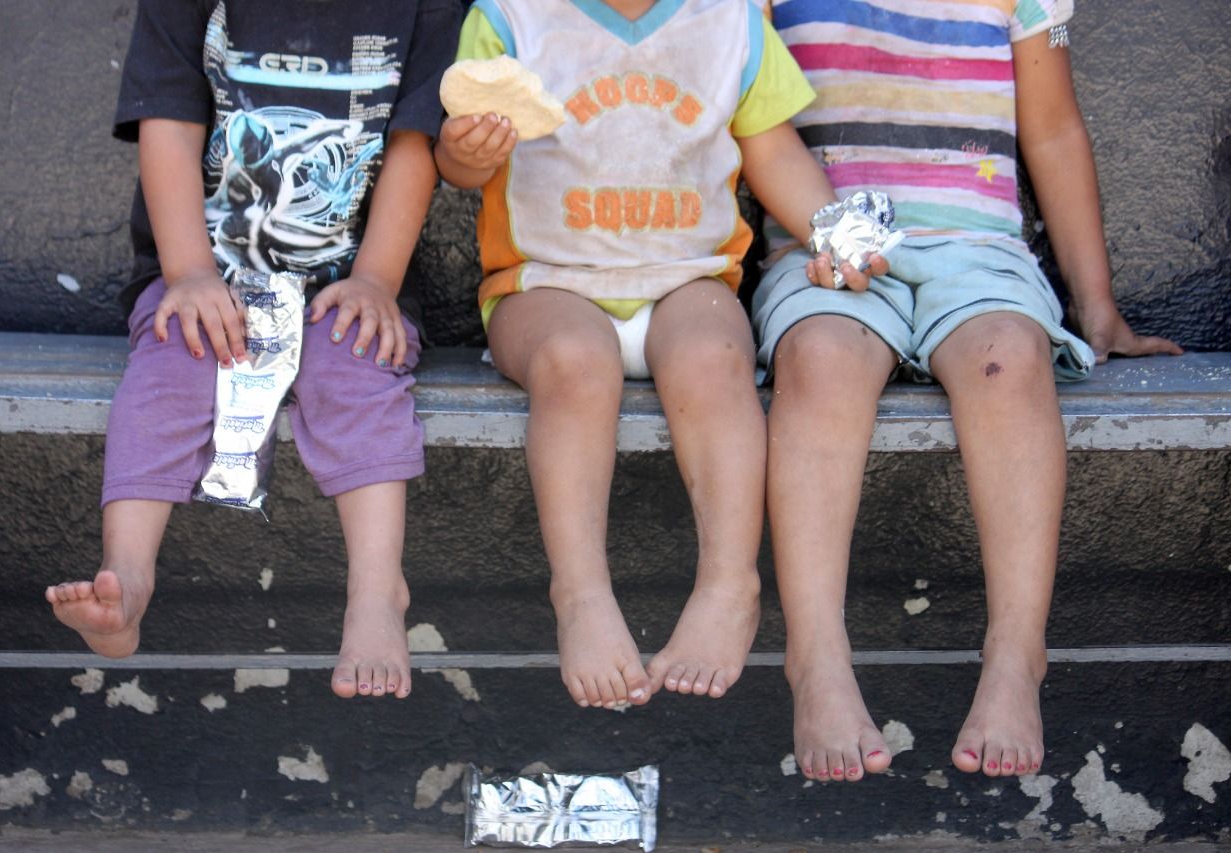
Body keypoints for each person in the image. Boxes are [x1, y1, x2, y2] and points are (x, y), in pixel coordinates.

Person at [753, 0, 1183, 780]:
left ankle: (1016, 654)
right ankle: (816, 657)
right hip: (827, 254)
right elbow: (749, 117)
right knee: (818, 359)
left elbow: (1052, 131)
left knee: (1009, 360)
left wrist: (1097, 307)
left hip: (980, 253)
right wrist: (828, 238)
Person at [435, 0, 875, 710]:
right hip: (546, 283)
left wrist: (836, 235)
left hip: (688, 280)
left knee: (715, 360)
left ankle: (729, 584)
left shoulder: (732, 21)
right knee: (573, 362)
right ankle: (581, 593)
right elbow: (456, 161)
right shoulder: (511, 17)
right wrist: (466, 153)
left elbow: (770, 150)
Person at [43, 0, 461, 700]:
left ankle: (376, 592)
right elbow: (169, 126)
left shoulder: (424, 7)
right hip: (204, 277)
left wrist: (376, 282)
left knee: (357, 366)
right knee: (170, 364)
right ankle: (128, 577)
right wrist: (188, 272)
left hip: (347, 282)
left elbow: (412, 146)